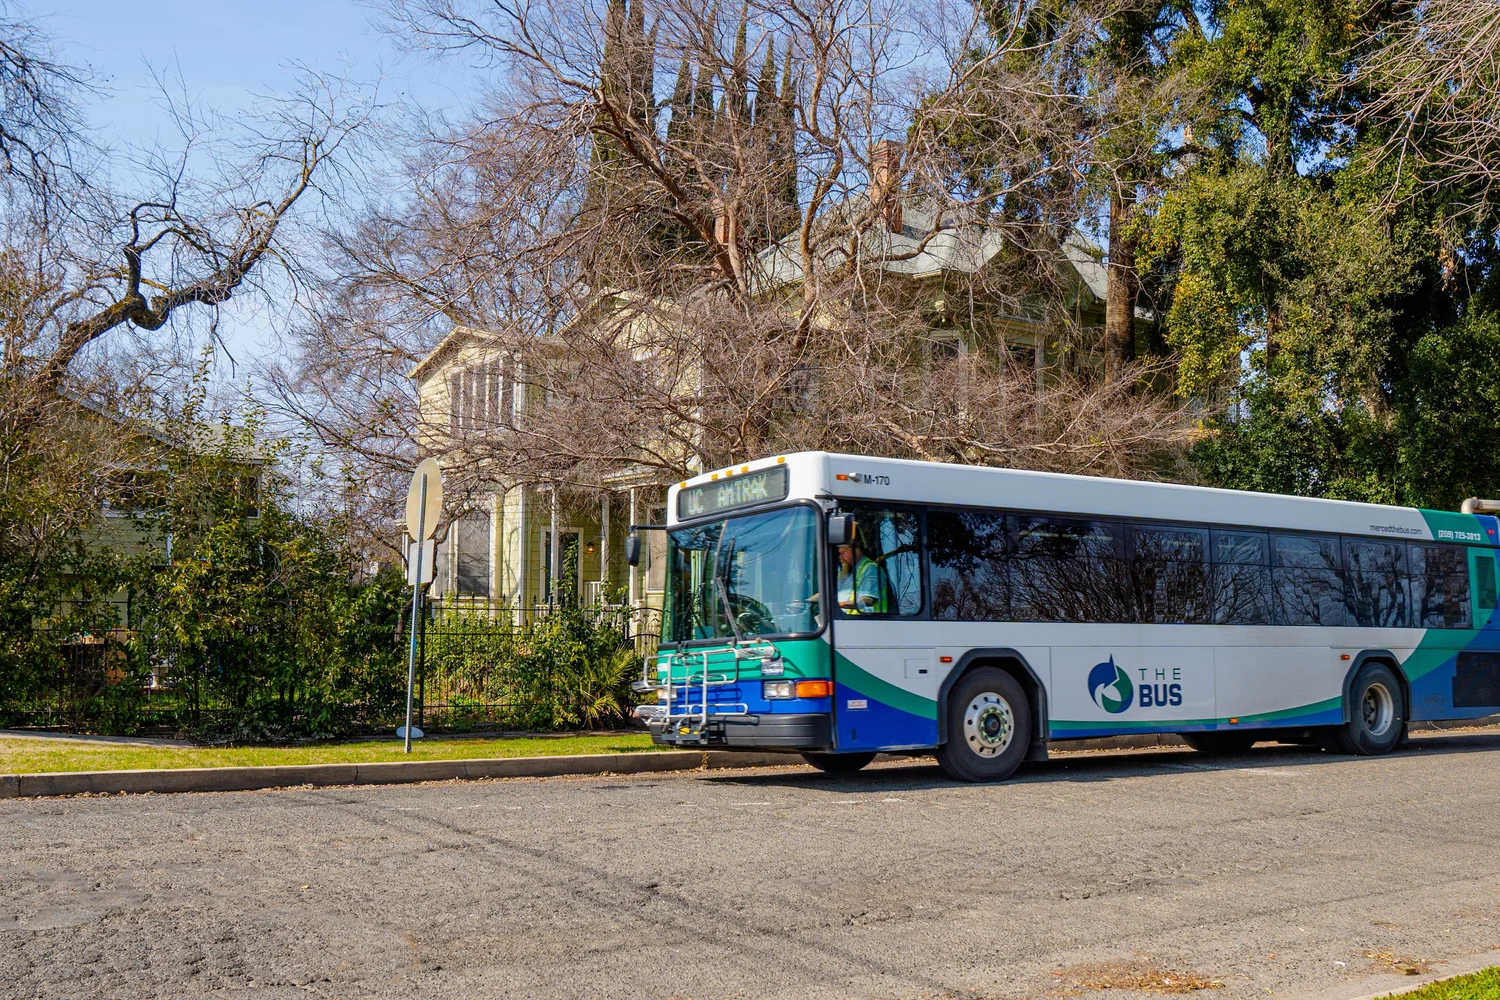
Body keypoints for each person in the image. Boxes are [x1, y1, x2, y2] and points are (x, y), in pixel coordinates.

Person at [837, 541, 885, 614]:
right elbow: (838, 592)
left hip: (871, 622)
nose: (840, 557)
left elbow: (867, 601)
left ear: (857, 551)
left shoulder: (871, 569)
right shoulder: (851, 572)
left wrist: (836, 605)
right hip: (850, 622)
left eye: (843, 553)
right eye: (839, 553)